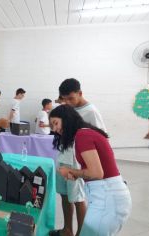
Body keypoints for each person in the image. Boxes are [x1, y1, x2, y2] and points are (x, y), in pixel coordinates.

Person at [49, 105, 131, 236]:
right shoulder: (83, 134)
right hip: (105, 196)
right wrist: (76, 175)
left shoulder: (83, 135)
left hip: (107, 197)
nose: (55, 129)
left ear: (66, 118)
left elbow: (97, 173)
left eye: (55, 123)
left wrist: (73, 171)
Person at [51, 78, 106, 236]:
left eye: (71, 98)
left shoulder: (91, 111)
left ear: (80, 93)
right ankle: (67, 230)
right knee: (64, 195)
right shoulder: (67, 108)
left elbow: (101, 138)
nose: (67, 102)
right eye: (64, 99)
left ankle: (81, 233)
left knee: (78, 198)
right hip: (63, 156)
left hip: (77, 162)